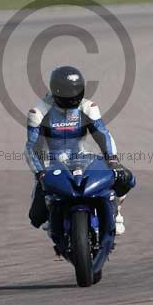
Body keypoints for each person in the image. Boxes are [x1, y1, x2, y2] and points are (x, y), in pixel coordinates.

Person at [25, 65, 135, 235]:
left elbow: (102, 134)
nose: (73, 97)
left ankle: (116, 213)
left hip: (82, 157)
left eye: (76, 91)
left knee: (124, 177)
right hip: (51, 164)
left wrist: (113, 161)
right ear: (56, 91)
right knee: (36, 216)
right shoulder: (39, 112)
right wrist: (40, 173)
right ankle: (53, 216)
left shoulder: (88, 107)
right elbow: (32, 147)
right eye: (68, 93)